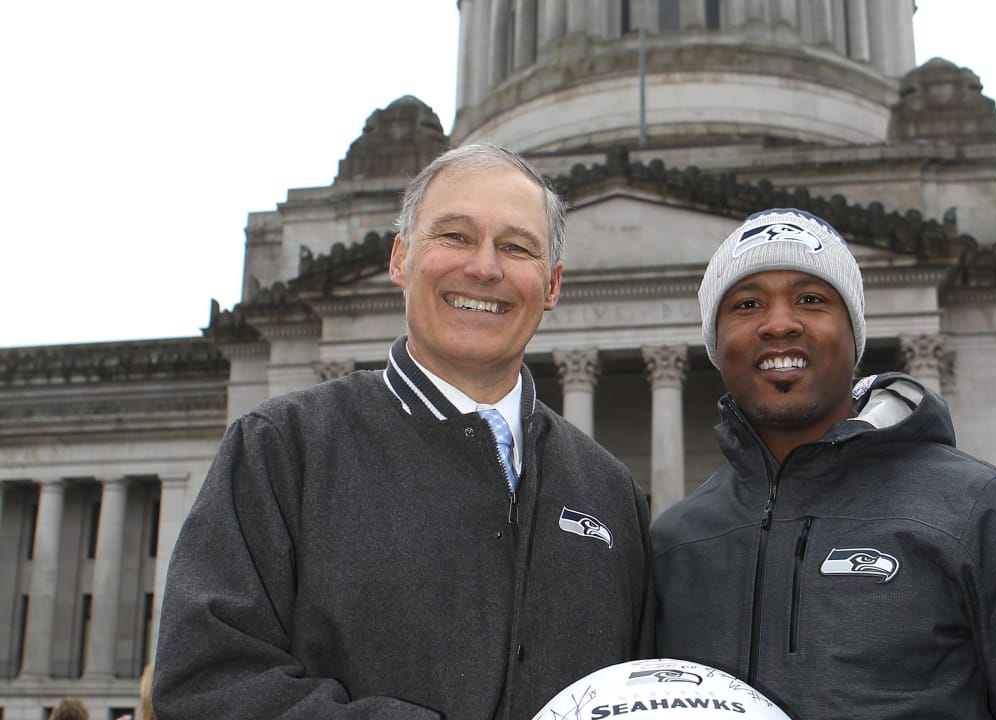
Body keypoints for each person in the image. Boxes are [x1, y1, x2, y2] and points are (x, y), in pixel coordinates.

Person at [154, 143, 654, 719]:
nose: (485, 268)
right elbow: (207, 688)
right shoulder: (281, 449)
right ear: (400, 258)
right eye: (455, 237)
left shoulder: (610, 493)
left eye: (516, 247)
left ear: (552, 284)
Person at [650, 208, 996, 719]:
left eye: (812, 299)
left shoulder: (980, 513)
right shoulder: (676, 542)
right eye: (746, 304)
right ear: (716, 345)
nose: (780, 323)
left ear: (854, 335)